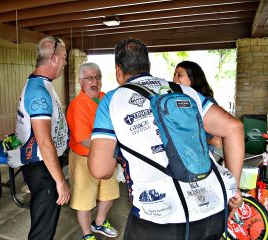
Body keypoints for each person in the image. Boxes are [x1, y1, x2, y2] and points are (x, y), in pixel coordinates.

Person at [88, 38, 244, 240]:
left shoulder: (111, 100)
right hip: (213, 210)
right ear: (148, 66)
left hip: (158, 221)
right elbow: (234, 127)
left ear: (118, 70)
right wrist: (234, 187)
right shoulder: (184, 91)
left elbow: (101, 170)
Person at [15, 36, 70, 240]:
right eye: (64, 57)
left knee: (45, 223)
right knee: (42, 229)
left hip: (44, 164)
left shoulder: (42, 84)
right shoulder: (38, 91)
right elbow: (44, 141)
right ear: (54, 58)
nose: (65, 62)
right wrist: (60, 180)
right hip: (42, 167)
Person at [66, 62, 119, 240]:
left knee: (110, 193)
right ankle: (87, 234)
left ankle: (99, 222)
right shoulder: (76, 105)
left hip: (107, 155)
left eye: (98, 77)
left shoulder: (106, 98)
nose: (95, 81)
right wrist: (116, 144)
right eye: (90, 78)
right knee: (84, 200)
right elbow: (85, 140)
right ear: (81, 82)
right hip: (83, 157)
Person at [173, 60, 222, 151]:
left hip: (201, 157)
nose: (174, 79)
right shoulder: (183, 100)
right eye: (174, 75)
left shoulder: (206, 101)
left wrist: (191, 137)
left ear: (193, 78)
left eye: (179, 75)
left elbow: (216, 141)